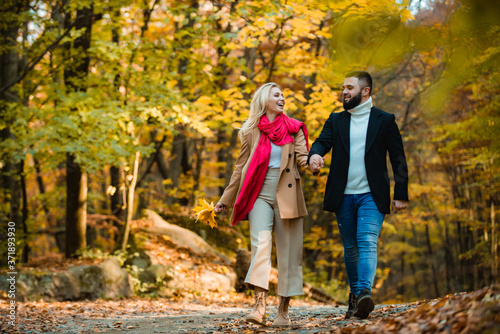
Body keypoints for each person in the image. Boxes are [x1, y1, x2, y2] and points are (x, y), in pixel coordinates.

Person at [308, 71, 409, 319]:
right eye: (343, 87)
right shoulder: (336, 120)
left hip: (372, 196)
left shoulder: (384, 120)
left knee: (366, 242)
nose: (344, 91)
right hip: (343, 195)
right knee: (350, 248)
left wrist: (401, 194)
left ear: (365, 91)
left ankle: (365, 292)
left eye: (349, 88)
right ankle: (356, 298)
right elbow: (322, 142)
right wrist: (314, 155)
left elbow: (398, 158)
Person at [214, 82, 310, 327]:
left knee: (289, 252)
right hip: (259, 193)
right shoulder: (250, 130)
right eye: (276, 95)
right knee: (260, 246)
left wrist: (313, 162)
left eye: (283, 95)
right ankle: (259, 305)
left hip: (287, 192)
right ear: (264, 99)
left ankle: (283, 311)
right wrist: (225, 199)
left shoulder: (293, 127)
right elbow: (240, 167)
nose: (282, 98)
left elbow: (303, 156)